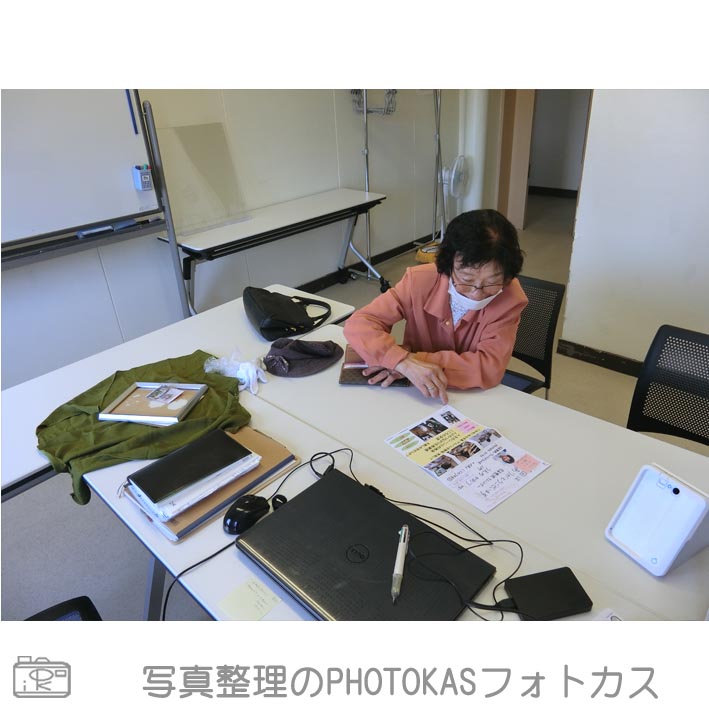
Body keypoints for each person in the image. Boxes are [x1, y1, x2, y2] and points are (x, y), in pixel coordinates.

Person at [343, 209, 527, 404]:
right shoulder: (419, 281)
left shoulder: (510, 299)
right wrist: (402, 362)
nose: (476, 293)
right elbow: (360, 323)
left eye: (491, 283)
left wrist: (409, 362)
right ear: (448, 266)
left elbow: (488, 368)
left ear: (508, 275)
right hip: (416, 393)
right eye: (466, 280)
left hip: (472, 396)